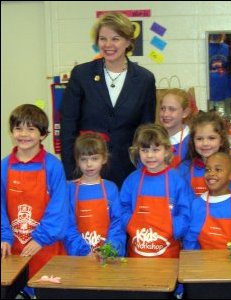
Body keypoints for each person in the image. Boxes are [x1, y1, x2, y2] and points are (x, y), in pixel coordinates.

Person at [61, 12, 156, 188]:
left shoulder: (145, 79)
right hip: (87, 170)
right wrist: (70, 170)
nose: (108, 45)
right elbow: (68, 125)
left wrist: (147, 169)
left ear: (128, 41)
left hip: (128, 171)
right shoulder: (81, 75)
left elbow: (146, 131)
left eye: (115, 38)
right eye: (103, 39)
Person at [1, 104, 67, 280]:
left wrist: (40, 238)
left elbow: (59, 208)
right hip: (11, 247)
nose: (23, 134)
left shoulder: (53, 166)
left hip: (46, 247)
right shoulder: (3, 166)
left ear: (43, 134)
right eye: (18, 128)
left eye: (30, 129)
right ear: (11, 132)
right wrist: (4, 237)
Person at [120, 124, 193, 258]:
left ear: (167, 150)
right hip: (137, 253)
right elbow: (123, 208)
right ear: (138, 151)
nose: (150, 155)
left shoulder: (177, 181)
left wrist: (172, 228)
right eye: (145, 150)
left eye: (155, 150)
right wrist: (130, 224)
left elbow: (186, 212)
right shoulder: (132, 180)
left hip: (168, 254)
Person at [63, 132, 125, 257]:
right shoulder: (70, 189)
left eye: (94, 158)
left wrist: (108, 249)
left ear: (104, 159)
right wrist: (84, 251)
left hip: (106, 257)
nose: (89, 164)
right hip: (79, 258)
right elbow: (67, 225)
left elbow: (117, 223)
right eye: (83, 159)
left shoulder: (111, 189)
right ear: (77, 161)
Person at [178, 111, 231, 198]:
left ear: (221, 141)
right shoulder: (184, 169)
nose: (205, 143)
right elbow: (179, 204)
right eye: (199, 138)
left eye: (211, 138)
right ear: (193, 141)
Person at [159, 88, 192, 168]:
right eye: (163, 108)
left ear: (185, 113)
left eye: (172, 109)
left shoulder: (193, 141)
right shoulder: (154, 140)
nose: (165, 114)